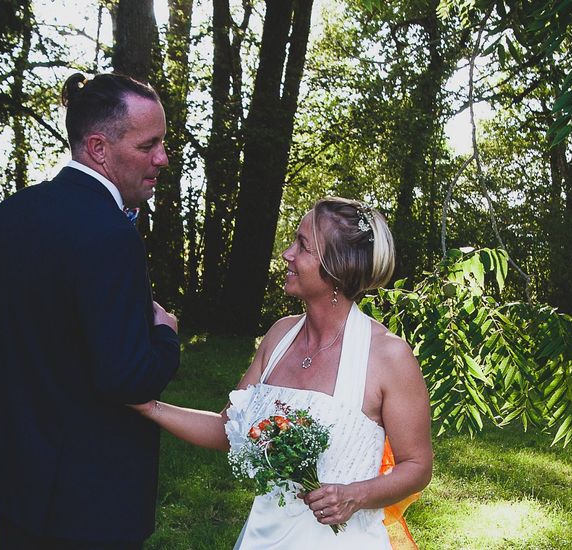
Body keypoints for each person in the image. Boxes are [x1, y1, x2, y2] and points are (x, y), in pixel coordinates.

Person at [0, 72, 181, 549]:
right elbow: (129, 379)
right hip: (91, 496)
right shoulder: (112, 235)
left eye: (163, 143)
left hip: (18, 482)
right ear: (98, 147)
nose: (162, 159)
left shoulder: (11, 213)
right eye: (148, 145)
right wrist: (165, 335)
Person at [131, 197, 433, 549]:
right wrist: (150, 407)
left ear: (339, 266)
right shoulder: (279, 335)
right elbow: (227, 428)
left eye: (303, 246)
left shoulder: (388, 356)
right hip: (264, 536)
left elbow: (417, 465)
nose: (287, 254)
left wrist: (356, 495)